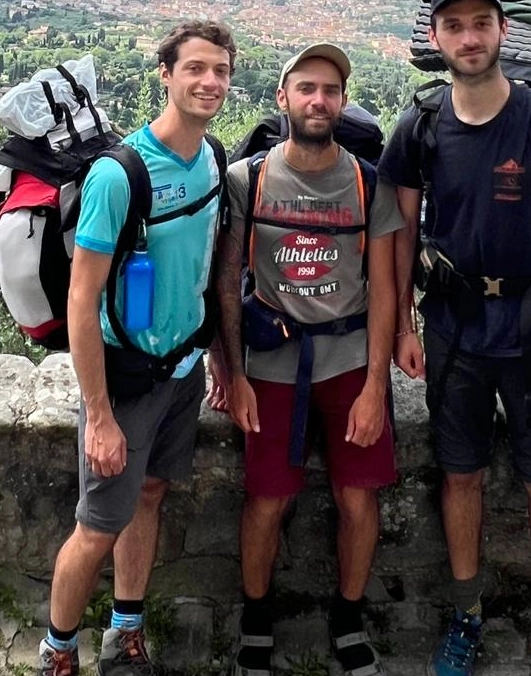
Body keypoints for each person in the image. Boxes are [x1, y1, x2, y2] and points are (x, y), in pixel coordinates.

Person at [377, 0, 531, 674]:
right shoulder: (419, 126)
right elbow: (399, 236)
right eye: (454, 26)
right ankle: (466, 615)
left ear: (503, 30)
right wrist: (403, 329)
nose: (469, 39)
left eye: (481, 24)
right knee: (461, 478)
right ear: (436, 37)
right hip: (452, 332)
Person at [38, 20, 236, 676]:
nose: (209, 82)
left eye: (220, 71)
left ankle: (124, 635)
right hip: (125, 385)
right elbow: (80, 299)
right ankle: (56, 651)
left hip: (182, 370)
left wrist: (218, 360)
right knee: (96, 527)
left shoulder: (213, 158)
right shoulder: (119, 177)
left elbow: (207, 270)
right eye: (196, 69)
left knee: (150, 494)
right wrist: (97, 414)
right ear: (166, 74)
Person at [214, 43, 401, 676]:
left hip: (348, 361)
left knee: (358, 499)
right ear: (283, 98)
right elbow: (226, 281)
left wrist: (377, 386)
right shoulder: (249, 180)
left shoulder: (366, 182)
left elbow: (384, 290)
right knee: (266, 500)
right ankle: (256, 619)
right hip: (271, 365)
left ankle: (348, 617)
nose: (317, 100)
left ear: (343, 102)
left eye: (329, 90)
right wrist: (232, 372)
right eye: (306, 88)